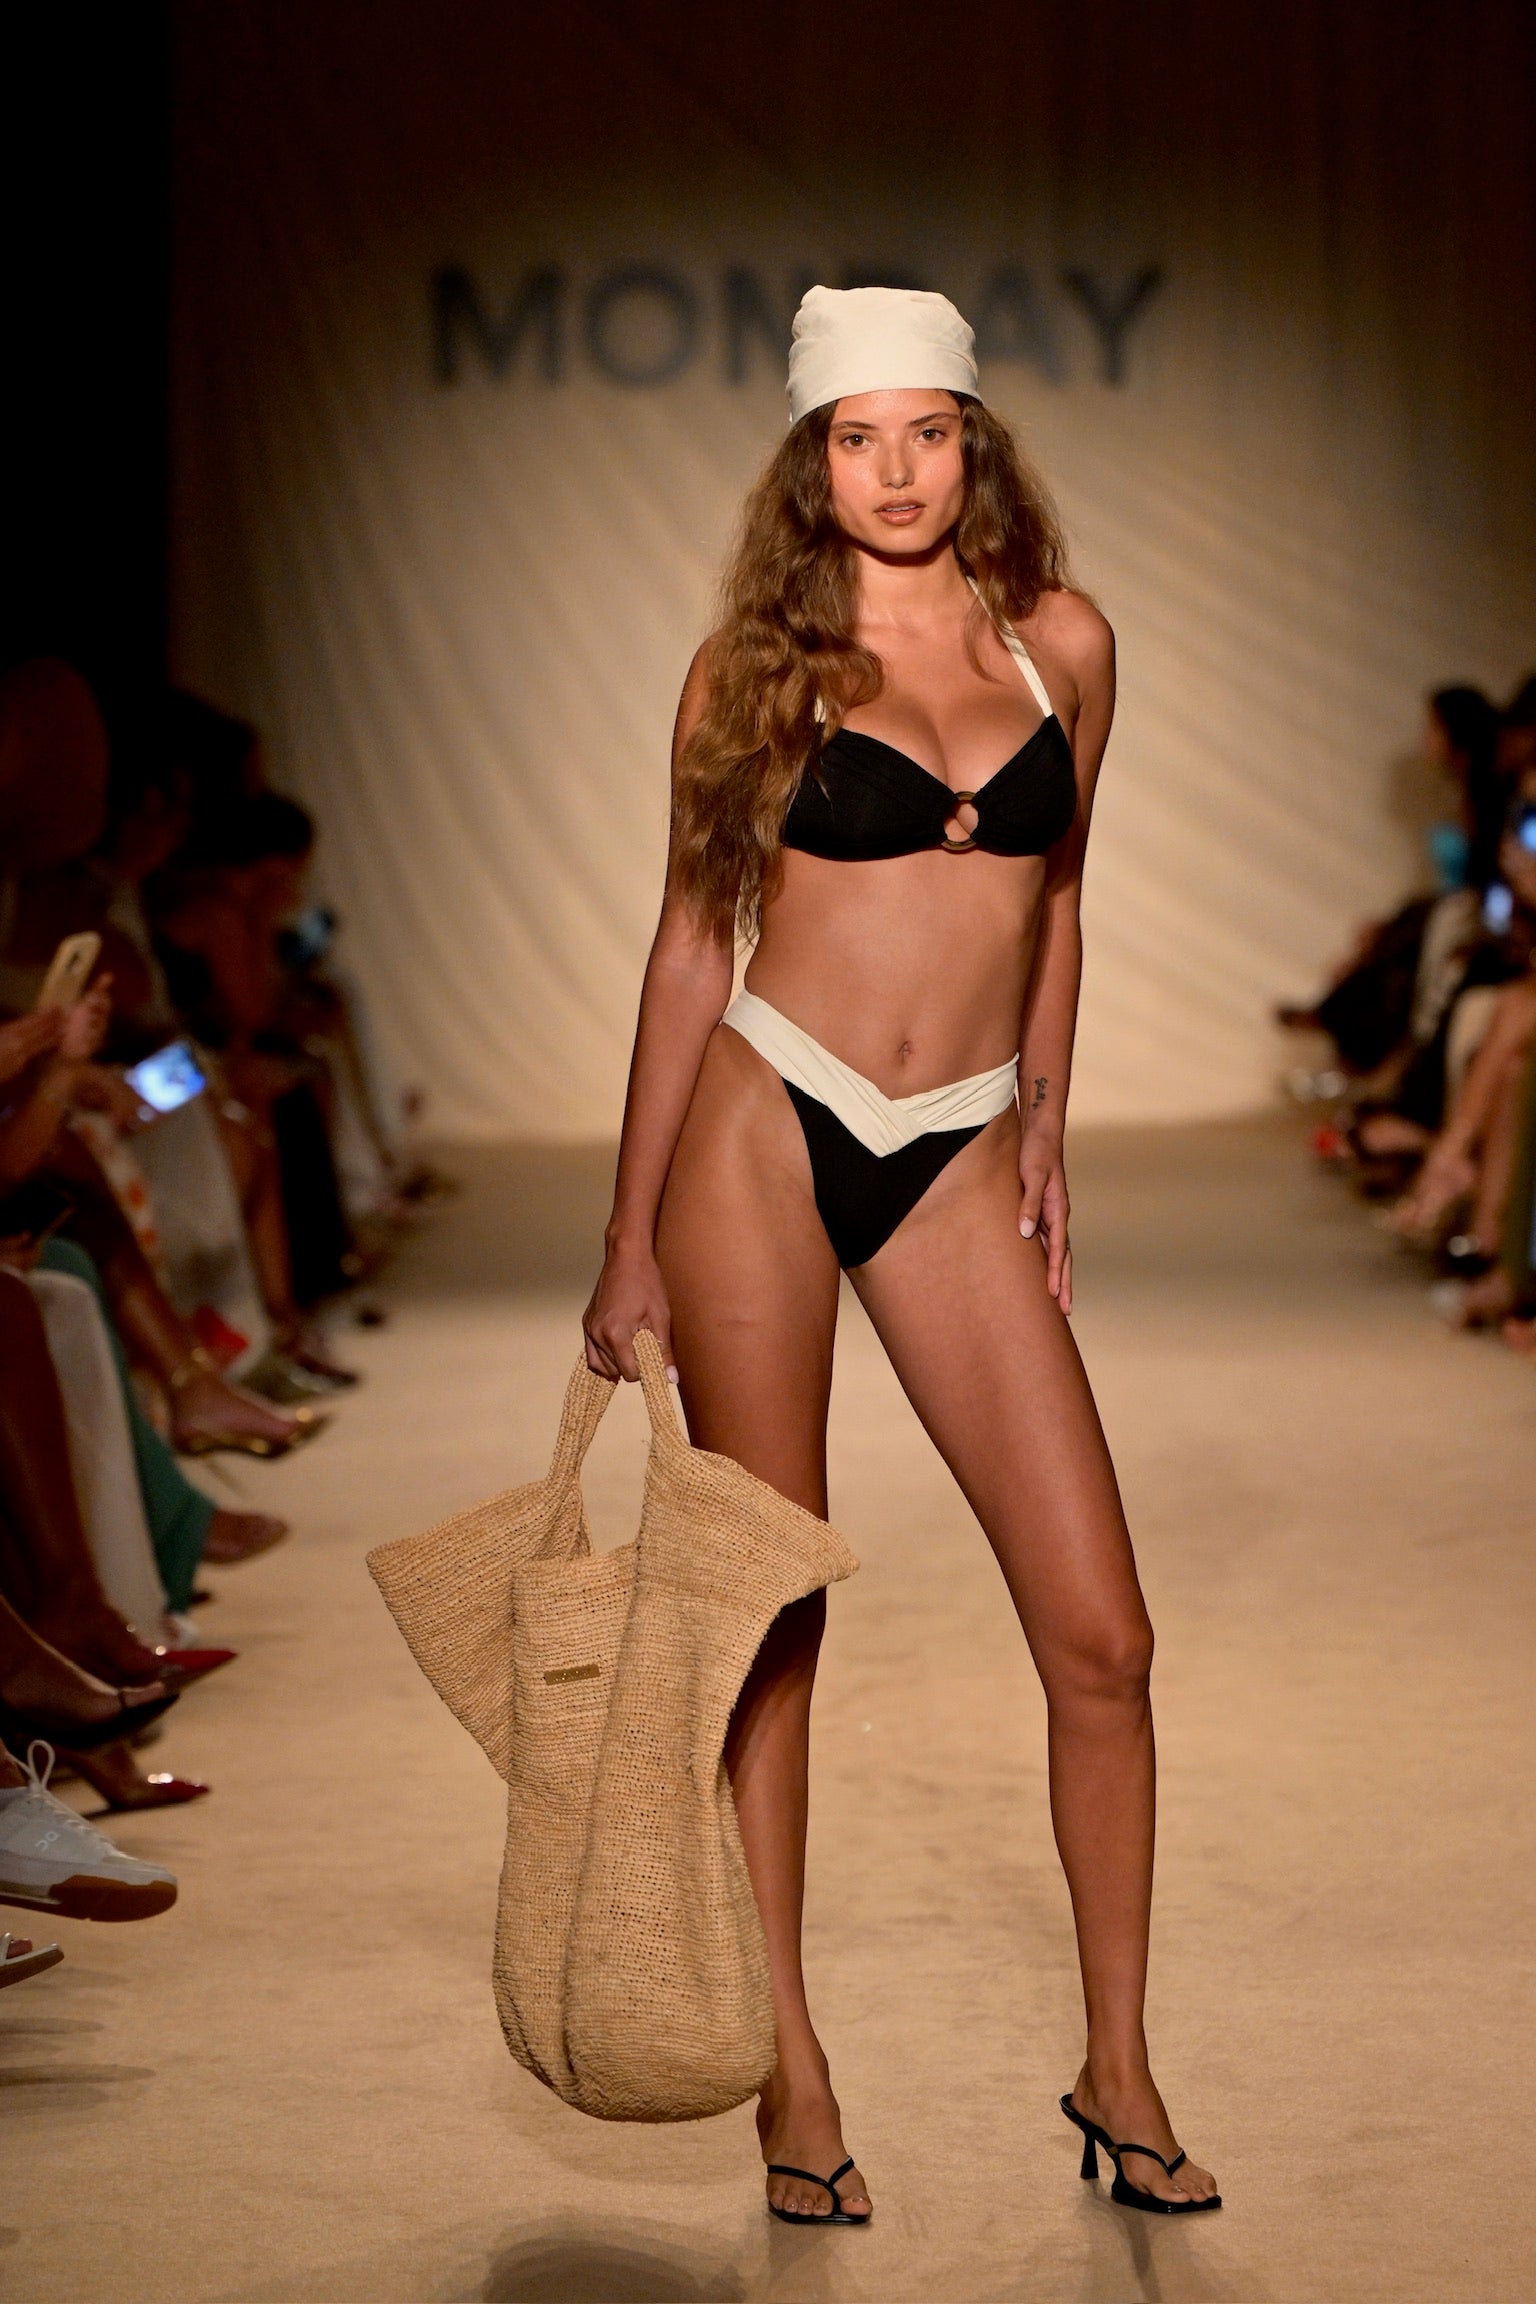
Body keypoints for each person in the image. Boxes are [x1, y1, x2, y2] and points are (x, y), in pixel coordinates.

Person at [582, 287, 1218, 2221]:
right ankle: (790, 2061)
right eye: (855, 440)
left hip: (952, 1156)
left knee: (1102, 1637)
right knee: (779, 1609)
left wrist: (1044, 1111)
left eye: (925, 431)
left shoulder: (1067, 649)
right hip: (766, 1126)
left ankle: (1115, 2065)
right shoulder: (752, 672)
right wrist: (627, 1244)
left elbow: (1063, 895)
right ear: (810, 460)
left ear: (975, 438)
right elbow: (696, 949)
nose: (895, 471)